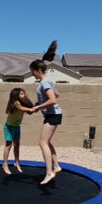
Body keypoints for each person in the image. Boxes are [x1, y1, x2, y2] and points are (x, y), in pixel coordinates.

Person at [30, 40, 63, 185]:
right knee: (47, 142)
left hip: (53, 114)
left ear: (38, 70)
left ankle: (49, 172)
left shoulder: (44, 82)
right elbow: (57, 94)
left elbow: (53, 100)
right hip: (52, 114)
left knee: (42, 142)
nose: (32, 75)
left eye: (32, 72)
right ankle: (56, 166)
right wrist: (41, 104)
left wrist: (38, 107)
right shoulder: (48, 81)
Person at [2, 87, 34, 175]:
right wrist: (30, 109)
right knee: (9, 145)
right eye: (22, 94)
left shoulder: (24, 103)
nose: (24, 95)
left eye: (24, 93)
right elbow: (21, 109)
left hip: (17, 127)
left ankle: (17, 162)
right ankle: (5, 164)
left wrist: (36, 108)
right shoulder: (15, 103)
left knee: (17, 145)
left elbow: (29, 111)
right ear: (16, 96)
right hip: (9, 127)